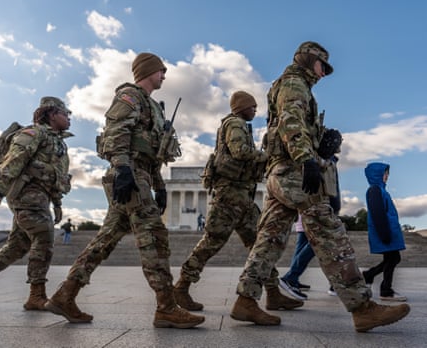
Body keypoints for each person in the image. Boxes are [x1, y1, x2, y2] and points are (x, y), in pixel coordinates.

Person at [230, 41, 410, 332]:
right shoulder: (294, 83)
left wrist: (322, 138)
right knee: (328, 231)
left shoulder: (289, 84)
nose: (324, 72)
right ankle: (363, 308)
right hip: (293, 170)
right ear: (308, 60)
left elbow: (292, 124)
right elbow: (290, 121)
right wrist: (307, 159)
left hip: (279, 170)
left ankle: (246, 300)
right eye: (322, 66)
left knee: (270, 239)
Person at [44, 52, 204, 329]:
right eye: (160, 71)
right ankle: (166, 307)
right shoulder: (130, 96)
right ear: (147, 71)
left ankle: (65, 295)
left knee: (104, 240)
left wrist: (161, 186)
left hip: (140, 173)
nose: (164, 75)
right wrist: (122, 169)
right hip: (129, 175)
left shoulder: (153, 107)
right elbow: (117, 130)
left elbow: (151, 152)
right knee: (154, 237)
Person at [174, 91, 303, 314]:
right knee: (212, 242)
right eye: (251, 106)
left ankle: (273, 293)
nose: (255, 110)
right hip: (229, 196)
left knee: (260, 245)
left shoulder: (240, 125)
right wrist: (268, 156)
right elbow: (239, 152)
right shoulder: (235, 123)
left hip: (241, 196)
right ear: (241, 107)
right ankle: (181, 286)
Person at [0, 97, 72, 311]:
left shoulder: (59, 142)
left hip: (40, 198)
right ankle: (36, 295)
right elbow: (15, 158)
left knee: (17, 247)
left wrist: (57, 203)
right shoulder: (33, 133)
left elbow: (57, 177)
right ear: (52, 114)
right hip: (26, 195)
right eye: (65, 113)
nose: (69, 118)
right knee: (43, 235)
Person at [280, 132, 343, 299]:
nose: (340, 148)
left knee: (304, 246)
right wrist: (335, 207)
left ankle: (294, 278)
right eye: (338, 143)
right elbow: (331, 187)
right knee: (318, 243)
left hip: (308, 211)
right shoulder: (323, 162)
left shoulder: (317, 160)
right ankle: (292, 277)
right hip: (319, 209)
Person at [363, 162, 406, 301]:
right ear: (377, 174)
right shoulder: (375, 190)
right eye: (384, 173)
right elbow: (378, 214)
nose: (387, 176)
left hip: (389, 231)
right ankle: (385, 290)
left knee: (392, 258)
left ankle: (370, 277)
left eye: (387, 173)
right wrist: (384, 234)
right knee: (393, 258)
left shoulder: (381, 190)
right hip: (384, 232)